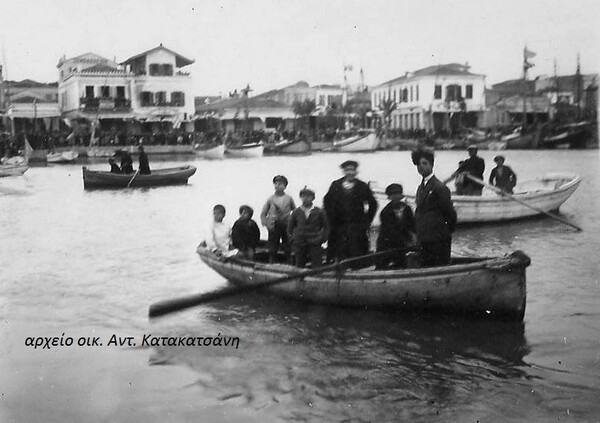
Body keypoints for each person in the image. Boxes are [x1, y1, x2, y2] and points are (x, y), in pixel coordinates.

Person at [323, 160, 378, 262]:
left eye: (352, 170)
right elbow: (327, 202)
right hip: (339, 224)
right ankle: (337, 266)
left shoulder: (362, 186)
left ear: (356, 172)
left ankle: (357, 267)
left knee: (356, 247)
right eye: (347, 170)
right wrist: (330, 217)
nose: (350, 172)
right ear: (343, 172)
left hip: (356, 224)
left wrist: (367, 220)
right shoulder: (335, 185)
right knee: (338, 246)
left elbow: (373, 204)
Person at [412, 149, 457, 267]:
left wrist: (445, 233)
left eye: (425, 163)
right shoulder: (420, 187)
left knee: (438, 266)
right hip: (424, 237)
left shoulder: (439, 187)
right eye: (418, 164)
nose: (421, 166)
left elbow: (450, 213)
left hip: (437, 238)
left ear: (432, 165)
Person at [376, 183, 416, 269]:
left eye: (397, 194)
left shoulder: (407, 209)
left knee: (402, 264)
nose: (396, 197)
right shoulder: (385, 212)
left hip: (402, 244)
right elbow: (390, 231)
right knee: (382, 266)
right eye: (393, 195)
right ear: (389, 197)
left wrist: (413, 238)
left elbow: (412, 225)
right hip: (386, 245)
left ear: (401, 195)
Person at [288, 187, 329, 268]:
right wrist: (292, 239)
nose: (306, 198)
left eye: (308, 196)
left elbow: (326, 226)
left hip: (315, 241)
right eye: (303, 196)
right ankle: (299, 280)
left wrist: (323, 239)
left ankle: (316, 278)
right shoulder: (296, 212)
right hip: (299, 242)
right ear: (301, 197)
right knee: (299, 264)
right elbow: (290, 227)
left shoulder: (319, 211)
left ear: (313, 198)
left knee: (317, 264)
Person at [260, 175, 296, 263]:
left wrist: (294, 223)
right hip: (274, 225)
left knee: (287, 243)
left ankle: (289, 260)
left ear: (285, 186)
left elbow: (295, 211)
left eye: (280, 184)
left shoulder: (289, 198)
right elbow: (263, 213)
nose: (277, 185)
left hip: (286, 224)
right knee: (273, 244)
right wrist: (265, 223)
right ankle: (272, 260)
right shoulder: (271, 199)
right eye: (275, 184)